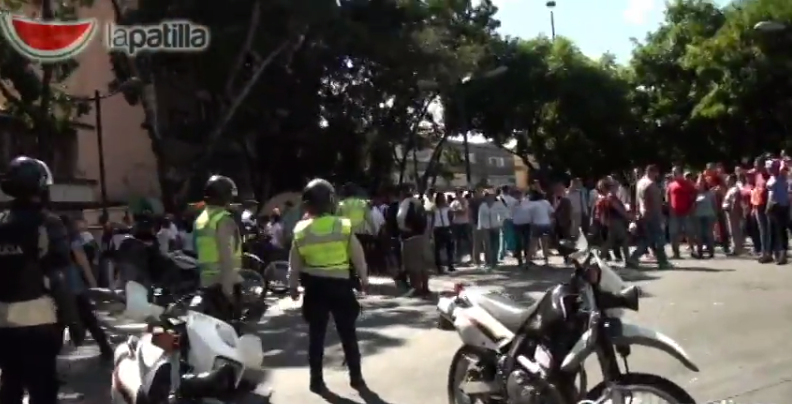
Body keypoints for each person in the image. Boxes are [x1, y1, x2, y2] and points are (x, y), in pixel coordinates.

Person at [0, 156, 82, 404]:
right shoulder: (49, 223)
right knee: (43, 389)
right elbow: (59, 276)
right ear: (40, 186)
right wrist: (74, 320)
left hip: (3, 322)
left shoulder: (1, 222)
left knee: (11, 385)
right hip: (39, 321)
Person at [288, 178, 368, 394]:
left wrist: (292, 286)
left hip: (315, 289)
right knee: (348, 334)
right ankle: (356, 378)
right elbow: (358, 256)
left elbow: (294, 262)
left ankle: (316, 381)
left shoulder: (300, 230)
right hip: (341, 287)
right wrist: (364, 278)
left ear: (307, 204)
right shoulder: (342, 225)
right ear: (331, 201)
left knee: (316, 336)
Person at [60, 215, 113, 361]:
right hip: (74, 284)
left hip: (56, 286)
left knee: (58, 321)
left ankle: (52, 362)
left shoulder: (50, 240)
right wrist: (93, 283)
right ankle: (105, 347)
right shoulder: (72, 238)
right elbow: (82, 261)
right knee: (88, 317)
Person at [194, 175, 243, 322]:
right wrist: (228, 290)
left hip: (206, 284)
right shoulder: (223, 220)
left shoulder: (200, 220)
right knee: (230, 334)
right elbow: (226, 255)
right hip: (224, 284)